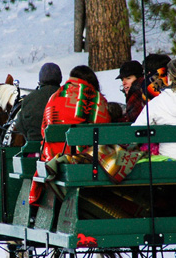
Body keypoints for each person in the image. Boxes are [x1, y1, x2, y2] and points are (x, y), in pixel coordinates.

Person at [30, 65, 111, 205]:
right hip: (85, 162)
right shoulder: (96, 99)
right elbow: (105, 131)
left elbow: (44, 131)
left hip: (52, 158)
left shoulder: (55, 97)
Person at [14, 63, 62, 141]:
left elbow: (20, 126)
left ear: (40, 79)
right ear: (60, 78)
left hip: (35, 149)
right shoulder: (68, 98)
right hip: (64, 149)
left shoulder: (29, 99)